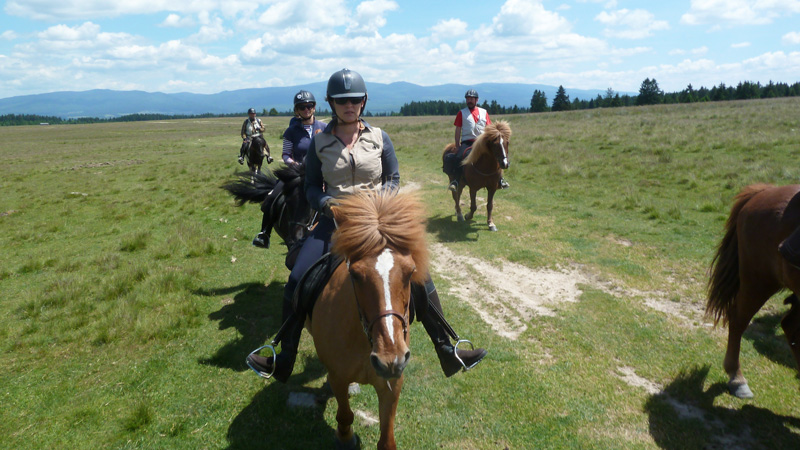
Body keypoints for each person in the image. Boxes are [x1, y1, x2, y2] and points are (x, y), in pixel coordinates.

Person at [246, 68, 488, 382]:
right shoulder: (320, 142)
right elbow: (311, 187)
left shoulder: (379, 138)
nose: (349, 105)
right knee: (298, 276)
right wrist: (326, 204)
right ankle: (284, 356)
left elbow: (393, 178)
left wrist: (380, 203)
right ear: (332, 103)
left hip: (377, 223)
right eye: (342, 100)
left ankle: (446, 348)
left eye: (355, 100)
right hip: (336, 222)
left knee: (418, 273)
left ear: (364, 101)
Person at [252, 91, 327, 249]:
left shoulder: (325, 128)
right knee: (272, 196)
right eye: (302, 107)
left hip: (321, 174)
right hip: (297, 174)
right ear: (296, 110)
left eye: (309, 106)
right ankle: (264, 233)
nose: (306, 109)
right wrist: (296, 166)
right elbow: (286, 155)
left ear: (314, 107)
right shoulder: (291, 131)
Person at [450, 89, 510, 192]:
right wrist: (457, 144)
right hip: (467, 141)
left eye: (471, 99)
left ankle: (500, 179)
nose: (469, 101)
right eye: (468, 99)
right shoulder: (461, 113)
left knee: (496, 154)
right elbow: (458, 129)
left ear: (476, 100)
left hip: (482, 142)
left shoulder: (484, 112)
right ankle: (456, 181)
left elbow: (489, 127)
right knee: (459, 156)